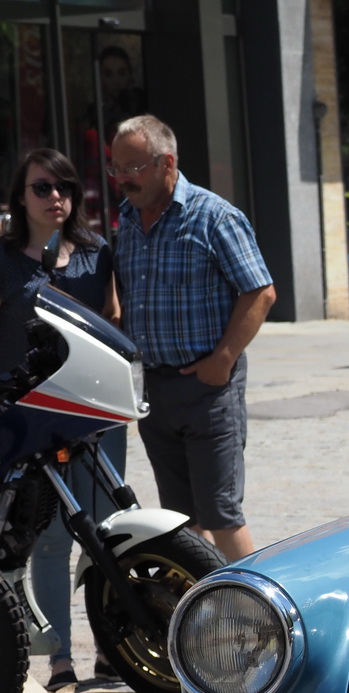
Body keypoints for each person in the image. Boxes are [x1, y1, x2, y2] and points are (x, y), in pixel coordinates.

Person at [111, 114, 275, 563]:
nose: (123, 178)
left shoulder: (214, 216)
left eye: (133, 166)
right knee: (178, 521)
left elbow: (261, 292)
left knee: (221, 514)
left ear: (167, 163)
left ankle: (252, 615)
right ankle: (201, 612)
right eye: (116, 168)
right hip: (155, 392)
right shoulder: (125, 222)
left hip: (208, 390)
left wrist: (223, 358)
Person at [2, 150, 121, 690]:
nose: (56, 197)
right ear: (20, 197)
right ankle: (59, 662)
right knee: (49, 538)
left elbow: (113, 318)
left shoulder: (97, 254)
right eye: (42, 187)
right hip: (35, 414)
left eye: (65, 187)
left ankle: (113, 649)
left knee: (105, 532)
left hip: (95, 410)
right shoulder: (4, 258)